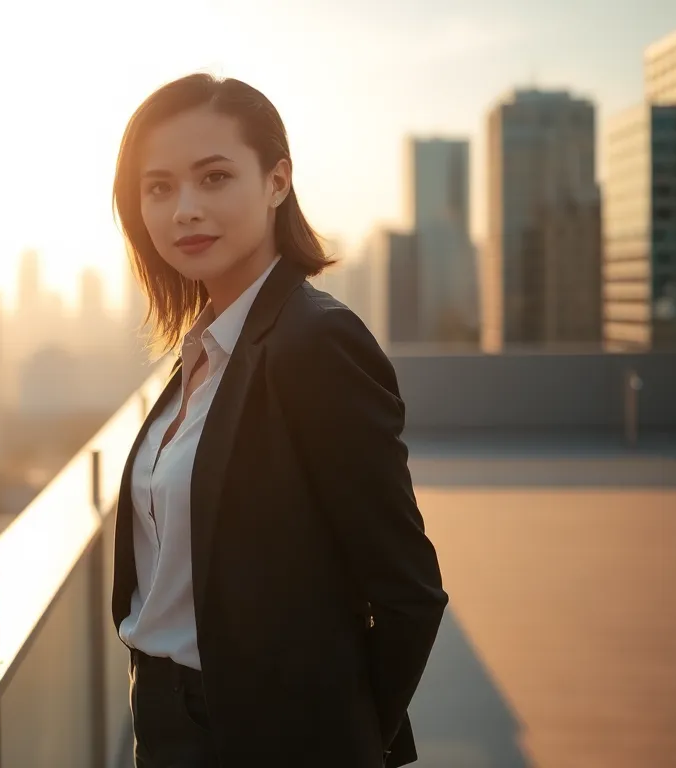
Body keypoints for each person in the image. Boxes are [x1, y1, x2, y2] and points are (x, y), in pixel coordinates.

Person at [110, 73, 448, 767]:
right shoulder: (203, 348)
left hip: (264, 735)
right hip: (164, 714)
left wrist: (341, 738)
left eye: (214, 178)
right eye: (159, 187)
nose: (184, 210)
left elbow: (409, 591)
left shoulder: (314, 343)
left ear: (276, 181)